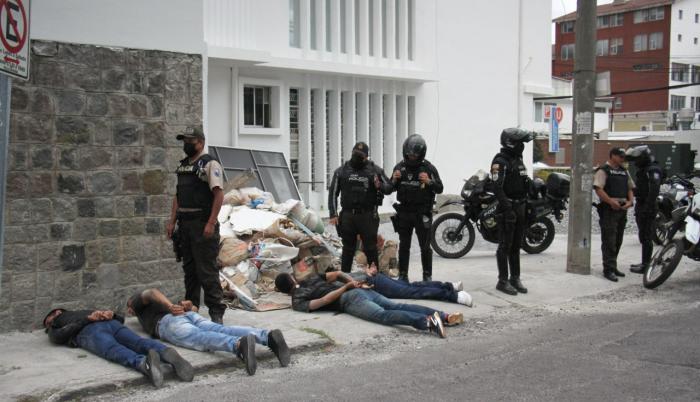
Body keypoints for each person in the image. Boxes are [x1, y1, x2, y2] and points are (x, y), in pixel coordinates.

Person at [127, 288, 290, 376]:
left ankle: (238, 344)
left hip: (168, 323)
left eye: (129, 308)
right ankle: (267, 337)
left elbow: (149, 292)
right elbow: (194, 308)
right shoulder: (157, 305)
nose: (129, 311)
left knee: (200, 338)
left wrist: (170, 307)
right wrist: (190, 307)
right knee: (221, 329)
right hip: (187, 315)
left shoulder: (136, 303)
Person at [274, 271, 464, 338]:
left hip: (349, 299)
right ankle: (444, 316)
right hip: (360, 290)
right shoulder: (309, 278)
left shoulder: (297, 301)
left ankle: (427, 322)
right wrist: (353, 282)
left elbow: (324, 301)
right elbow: (338, 273)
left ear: (282, 291)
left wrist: (348, 287)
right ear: (292, 278)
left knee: (384, 315)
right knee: (396, 306)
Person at [43, 307, 193, 388]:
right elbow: (121, 319)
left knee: (113, 349)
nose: (47, 326)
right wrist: (112, 315)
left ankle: (144, 364)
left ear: (56, 312)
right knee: (138, 342)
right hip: (111, 324)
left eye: (47, 322)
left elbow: (58, 336)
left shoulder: (57, 320)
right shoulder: (86, 310)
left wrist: (90, 319)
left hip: (90, 331)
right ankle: (165, 352)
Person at [167, 126, 226, 324]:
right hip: (185, 225)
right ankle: (190, 309)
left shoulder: (209, 164)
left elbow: (219, 195)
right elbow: (178, 196)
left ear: (200, 142)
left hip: (202, 224)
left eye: (189, 141)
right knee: (190, 270)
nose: (186, 144)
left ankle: (216, 313)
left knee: (207, 271)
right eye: (184, 140)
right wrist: (172, 220)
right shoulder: (184, 166)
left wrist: (211, 222)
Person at [328, 142, 393, 273]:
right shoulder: (341, 171)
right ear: (352, 153)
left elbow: (389, 188)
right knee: (348, 249)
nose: (357, 157)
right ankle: (345, 279)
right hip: (348, 215)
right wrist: (333, 214)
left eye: (361, 156)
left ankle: (375, 280)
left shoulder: (375, 170)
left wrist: (378, 184)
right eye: (355, 154)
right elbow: (333, 193)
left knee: (370, 248)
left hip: (368, 215)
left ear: (366, 157)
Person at [391, 134, 444, 282]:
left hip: (422, 213)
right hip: (404, 212)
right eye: (409, 154)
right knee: (404, 245)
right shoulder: (400, 167)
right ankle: (403, 275)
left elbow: (440, 188)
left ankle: (427, 276)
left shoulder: (428, 168)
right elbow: (390, 187)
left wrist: (429, 181)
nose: (412, 157)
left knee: (425, 246)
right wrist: (394, 179)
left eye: (415, 155)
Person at [489, 128, 534, 295]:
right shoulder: (500, 161)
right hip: (507, 208)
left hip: (520, 206)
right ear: (511, 143)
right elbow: (496, 187)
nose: (522, 146)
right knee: (505, 246)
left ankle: (515, 278)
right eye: (520, 143)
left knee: (516, 245)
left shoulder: (518, 159)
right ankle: (503, 280)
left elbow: (522, 181)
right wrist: (507, 208)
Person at [593, 147, 635, 282]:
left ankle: (613, 265)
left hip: (622, 208)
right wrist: (611, 201)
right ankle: (608, 269)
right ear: (613, 156)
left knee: (618, 240)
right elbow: (598, 189)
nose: (623, 159)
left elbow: (629, 188)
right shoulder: (603, 170)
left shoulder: (624, 171)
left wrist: (630, 201)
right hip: (609, 209)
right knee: (609, 241)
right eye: (621, 156)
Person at [353, 263, 473, 307]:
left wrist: (366, 273)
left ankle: (453, 296)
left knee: (413, 290)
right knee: (413, 287)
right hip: (372, 281)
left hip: (373, 283)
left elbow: (341, 275)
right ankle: (449, 287)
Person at [625, 146, 662, 274]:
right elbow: (641, 188)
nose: (635, 163)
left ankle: (646, 265)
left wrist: (648, 206)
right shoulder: (644, 169)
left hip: (648, 205)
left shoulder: (653, 169)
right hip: (642, 204)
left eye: (637, 159)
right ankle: (644, 262)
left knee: (646, 236)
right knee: (643, 235)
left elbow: (654, 188)